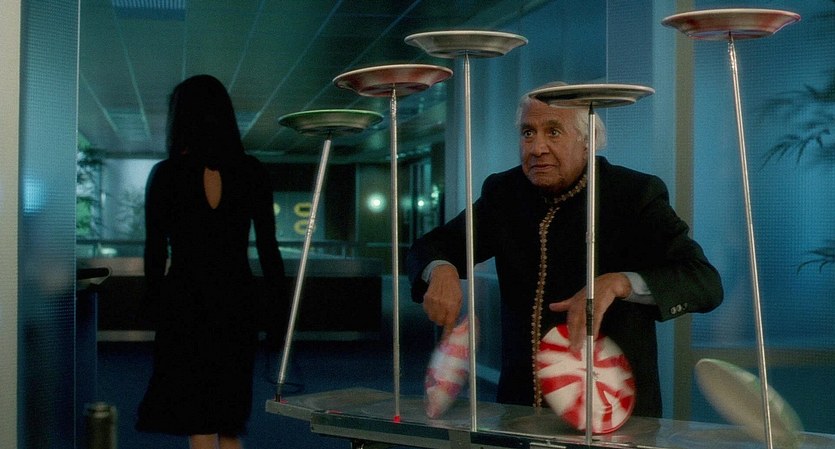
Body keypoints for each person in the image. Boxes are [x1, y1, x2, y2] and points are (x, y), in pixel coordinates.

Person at [406, 82, 723, 418]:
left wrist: (620, 283)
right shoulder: (504, 193)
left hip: (610, 414)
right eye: (528, 133)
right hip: (521, 411)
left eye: (553, 132)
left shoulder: (633, 194)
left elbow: (703, 281)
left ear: (588, 141)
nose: (537, 147)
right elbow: (433, 245)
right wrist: (441, 268)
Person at [136, 74, 288, 449]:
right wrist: (278, 312)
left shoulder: (166, 175)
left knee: (198, 416)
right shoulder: (252, 171)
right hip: (237, 303)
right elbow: (268, 249)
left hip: (185, 305)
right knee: (230, 417)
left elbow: (155, 252)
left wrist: (154, 308)